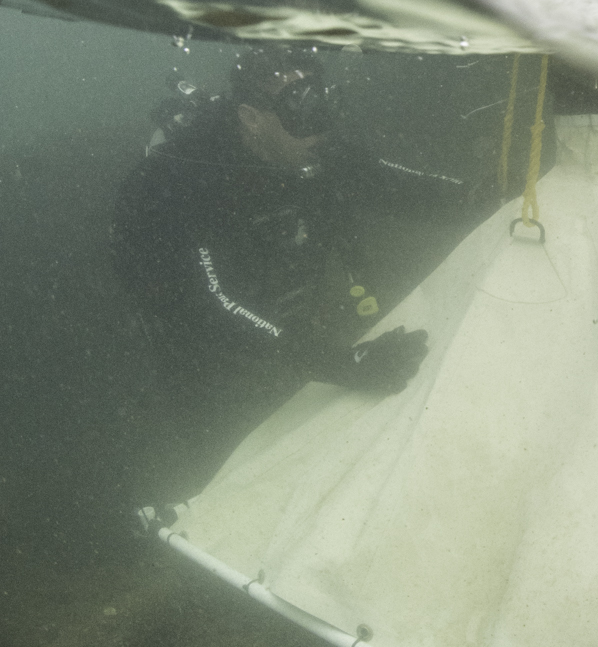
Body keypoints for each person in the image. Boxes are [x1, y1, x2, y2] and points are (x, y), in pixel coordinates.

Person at [111, 51, 471, 431]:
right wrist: (341, 364)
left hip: (283, 324)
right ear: (251, 118)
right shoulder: (184, 183)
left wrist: (480, 195)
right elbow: (209, 305)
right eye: (298, 108)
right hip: (206, 344)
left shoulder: (308, 144)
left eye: (321, 103)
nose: (318, 127)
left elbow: (384, 182)